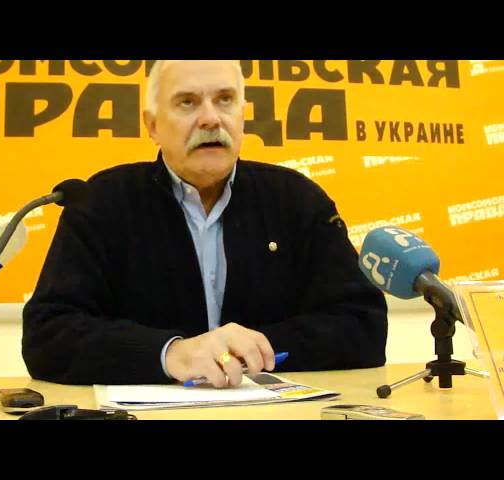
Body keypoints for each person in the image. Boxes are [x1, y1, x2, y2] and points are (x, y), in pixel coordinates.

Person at [22, 60, 388, 388]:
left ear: (243, 115)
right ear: (153, 125)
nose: (211, 119)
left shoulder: (298, 199)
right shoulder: (102, 202)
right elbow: (48, 334)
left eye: (225, 100)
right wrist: (171, 354)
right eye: (187, 102)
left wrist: (252, 349)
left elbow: (362, 325)